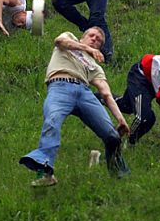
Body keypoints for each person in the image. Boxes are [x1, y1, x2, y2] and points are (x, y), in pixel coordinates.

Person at [19, 27, 130, 187]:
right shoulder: (69, 38)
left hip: (85, 93)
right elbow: (59, 41)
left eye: (98, 40)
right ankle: (45, 174)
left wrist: (120, 119)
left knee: (112, 136)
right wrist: (86, 48)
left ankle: (120, 176)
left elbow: (106, 93)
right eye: (92, 35)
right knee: (52, 121)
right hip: (59, 87)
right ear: (83, 37)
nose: (94, 39)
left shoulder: (95, 66)